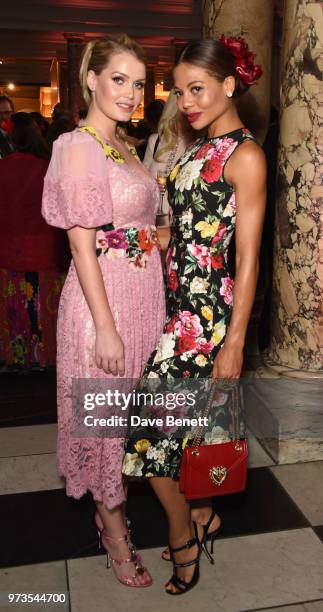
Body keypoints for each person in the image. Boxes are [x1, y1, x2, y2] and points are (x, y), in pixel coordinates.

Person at [124, 36, 266, 595]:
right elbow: (194, 229)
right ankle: (203, 516)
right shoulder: (194, 148)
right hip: (180, 308)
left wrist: (234, 342)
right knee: (187, 435)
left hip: (207, 320)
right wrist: (158, 238)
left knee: (146, 434)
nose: (186, 101)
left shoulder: (244, 155)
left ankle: (185, 541)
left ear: (229, 86)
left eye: (197, 89)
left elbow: (249, 258)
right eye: (179, 91)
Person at [41, 34, 165, 587]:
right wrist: (107, 330)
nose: (130, 93)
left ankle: (114, 512)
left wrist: (158, 237)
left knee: (128, 423)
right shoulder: (78, 144)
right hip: (103, 307)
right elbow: (79, 244)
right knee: (106, 428)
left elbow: (130, 227)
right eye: (119, 79)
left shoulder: (125, 147)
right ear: (90, 79)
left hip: (140, 298)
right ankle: (114, 534)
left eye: (138, 83)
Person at [0, 112, 68, 369]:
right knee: (42, 310)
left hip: (8, 249)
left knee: (15, 307)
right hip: (44, 249)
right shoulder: (47, 168)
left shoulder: (3, 167)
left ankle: (17, 357)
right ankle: (46, 357)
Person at [143, 90, 198, 231]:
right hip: (152, 225)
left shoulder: (199, 143)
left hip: (183, 230)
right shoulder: (155, 141)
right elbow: (141, 183)